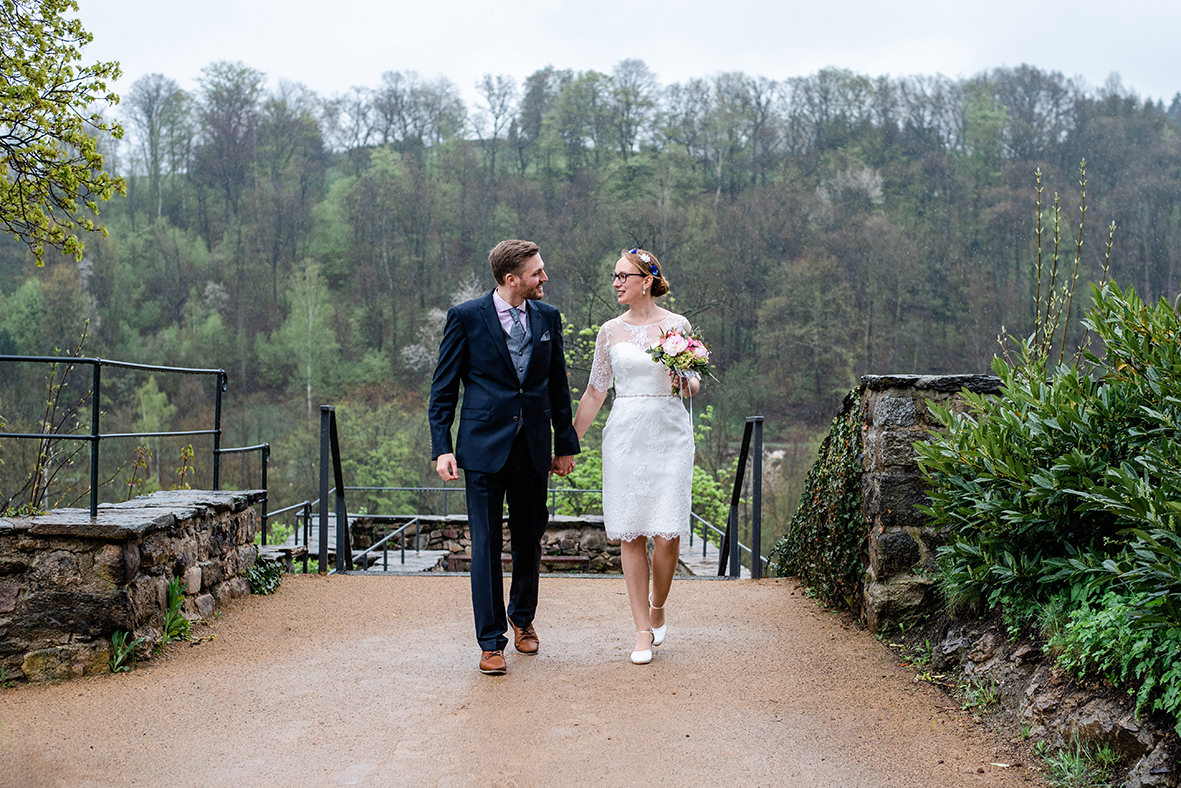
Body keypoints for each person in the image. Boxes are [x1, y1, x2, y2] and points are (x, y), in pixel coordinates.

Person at [428, 239, 580, 676]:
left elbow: (557, 387)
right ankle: (490, 640)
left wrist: (564, 444)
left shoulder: (549, 318)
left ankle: (523, 618)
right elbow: (443, 391)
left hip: (532, 448)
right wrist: (443, 447)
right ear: (511, 279)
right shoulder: (465, 318)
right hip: (481, 449)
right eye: (537, 272)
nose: (544, 278)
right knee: (486, 546)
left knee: (530, 538)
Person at [571, 248, 700, 664]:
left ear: (647, 280)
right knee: (632, 532)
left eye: (624, 276)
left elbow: (694, 385)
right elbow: (595, 392)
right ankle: (642, 630)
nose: (616, 283)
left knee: (668, 531)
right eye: (614, 276)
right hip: (626, 432)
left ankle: (659, 603)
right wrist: (568, 443)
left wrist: (685, 379)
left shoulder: (677, 326)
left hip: (669, 432)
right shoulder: (609, 331)